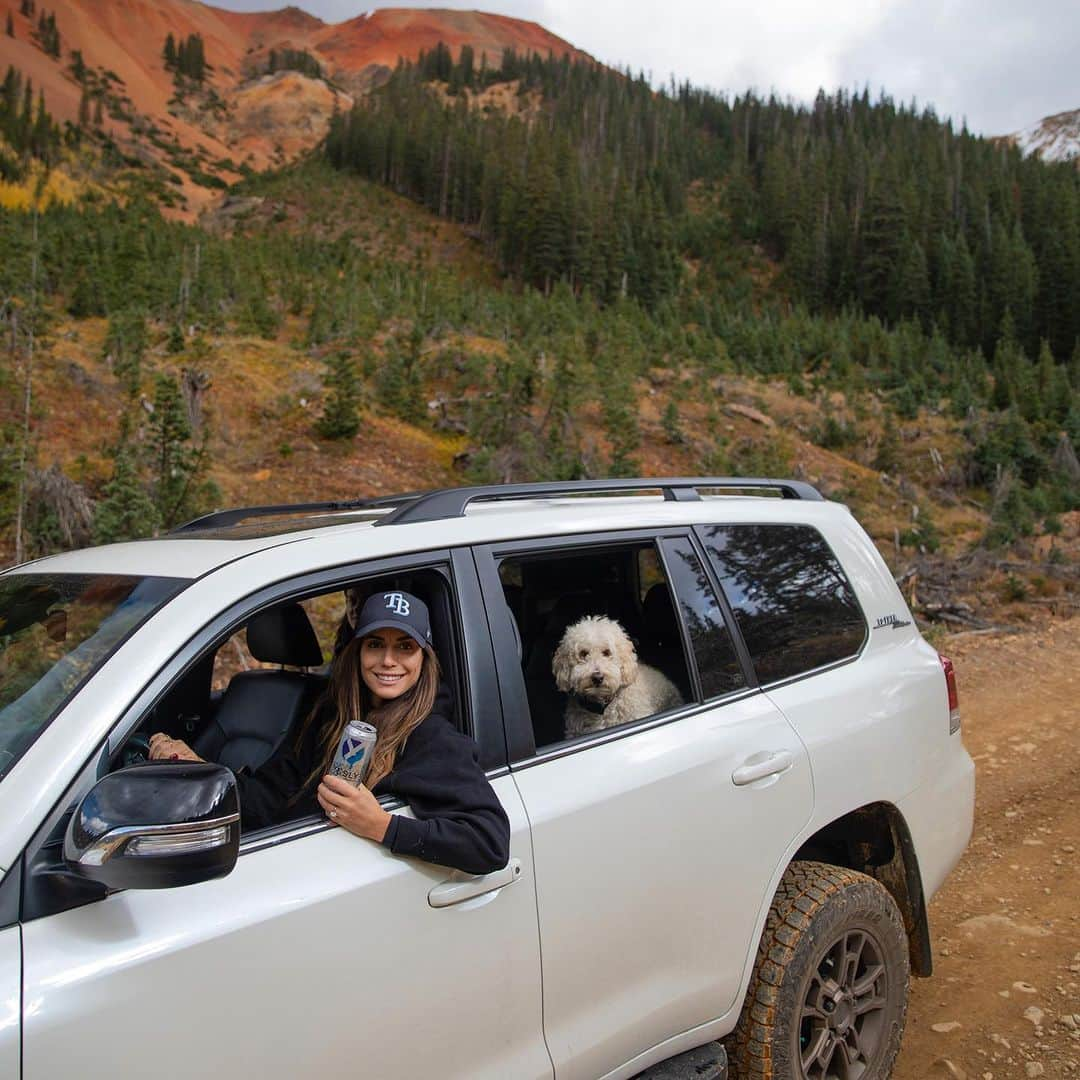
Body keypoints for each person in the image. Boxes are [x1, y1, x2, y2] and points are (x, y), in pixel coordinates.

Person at [148, 589, 510, 876]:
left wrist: (382, 825)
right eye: (375, 644)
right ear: (356, 652)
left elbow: (490, 842)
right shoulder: (329, 718)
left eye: (405, 647)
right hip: (286, 871)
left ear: (423, 659)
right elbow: (270, 797)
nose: (388, 660)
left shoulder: (432, 738)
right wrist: (201, 773)